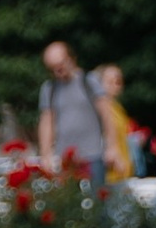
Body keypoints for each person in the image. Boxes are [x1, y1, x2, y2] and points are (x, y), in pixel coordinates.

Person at [38, 41, 109, 181]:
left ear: (71, 59)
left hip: (92, 156)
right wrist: (45, 154)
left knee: (96, 200)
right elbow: (47, 122)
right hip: (65, 160)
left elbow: (107, 114)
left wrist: (112, 147)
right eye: (52, 68)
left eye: (60, 65)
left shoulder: (89, 81)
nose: (58, 71)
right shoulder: (49, 88)